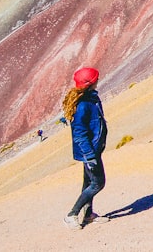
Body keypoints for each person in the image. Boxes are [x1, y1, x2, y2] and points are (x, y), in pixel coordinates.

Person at [62, 67, 109, 229]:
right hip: (89, 152)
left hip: (94, 149)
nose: (98, 80)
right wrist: (90, 156)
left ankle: (88, 214)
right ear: (90, 83)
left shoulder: (90, 98)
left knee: (88, 183)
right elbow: (80, 134)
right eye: (96, 78)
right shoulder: (82, 105)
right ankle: (72, 214)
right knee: (98, 183)